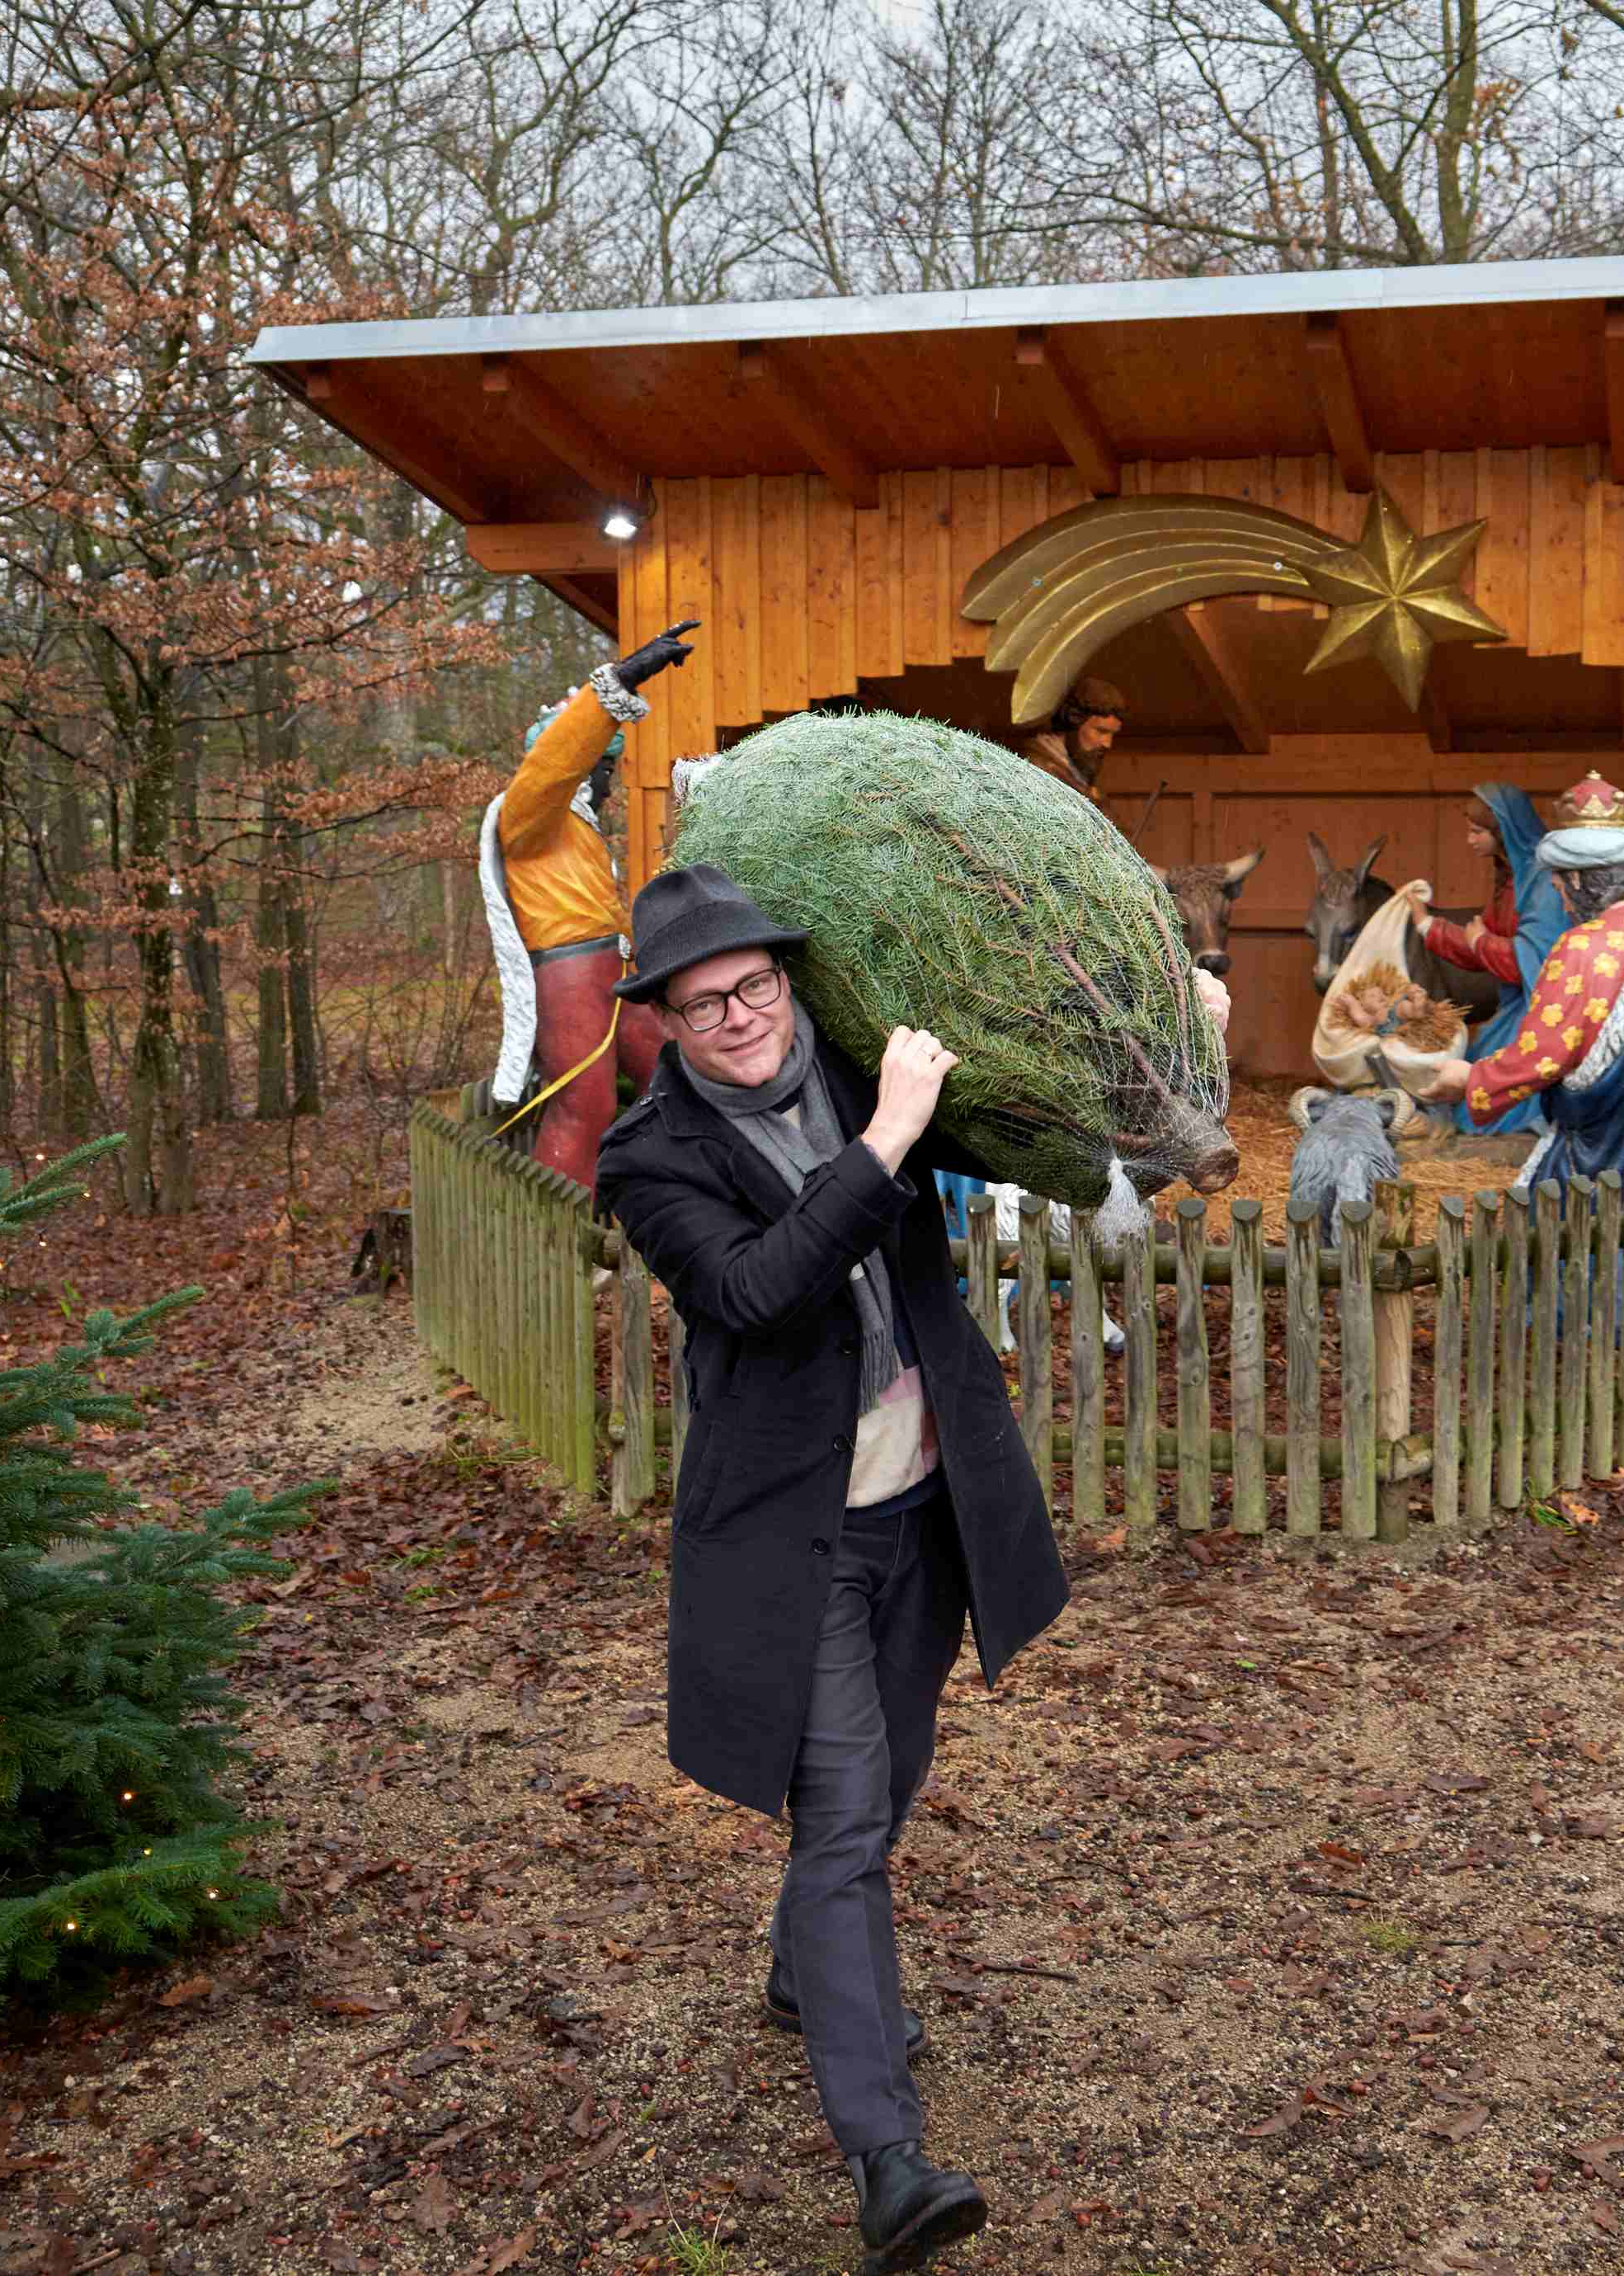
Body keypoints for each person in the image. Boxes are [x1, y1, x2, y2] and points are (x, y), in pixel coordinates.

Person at [591, 869, 1220, 2274]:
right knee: (844, 1818)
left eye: (755, 985)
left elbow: (1031, 1101)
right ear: (669, 1023)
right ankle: (886, 2157)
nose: (741, 1016)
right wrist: (881, 1142)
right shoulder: (651, 1158)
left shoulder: (880, 1058)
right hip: (790, 1531)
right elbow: (758, 1290)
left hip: (923, 1503)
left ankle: (798, 1971)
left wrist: (1148, 1082)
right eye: (705, 1003)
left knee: (889, 1777)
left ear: (788, 981)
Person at [1419, 771, 1624, 1186]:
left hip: (1605, 1149)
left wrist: (1469, 1079)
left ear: (1583, 879)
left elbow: (1543, 1055)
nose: (1554, 886)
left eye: (1560, 876)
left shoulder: (1581, 947)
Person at [478, 623, 696, 1183]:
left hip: (615, 967)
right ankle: (555, 1237)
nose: (608, 783)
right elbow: (557, 759)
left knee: (667, 1075)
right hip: (570, 973)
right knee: (584, 1104)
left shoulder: (574, 826)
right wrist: (617, 684)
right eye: (602, 768)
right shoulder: (529, 808)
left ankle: (661, 1197)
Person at [1404, 784, 1565, 1137]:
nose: (1469, 840)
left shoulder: (1543, 882)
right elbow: (1482, 945)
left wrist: (1482, 942)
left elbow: (1535, 964)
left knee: (1495, 1082)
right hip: (1515, 1005)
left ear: (1504, 831)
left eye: (1477, 831)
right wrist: (1429, 925)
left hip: (1546, 1010)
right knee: (1478, 1065)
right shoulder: (1511, 879)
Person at [1015, 676, 1125, 793]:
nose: (1107, 744)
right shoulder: (1036, 771)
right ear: (1073, 721)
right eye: (1101, 731)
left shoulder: (1079, 770)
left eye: (1112, 734)